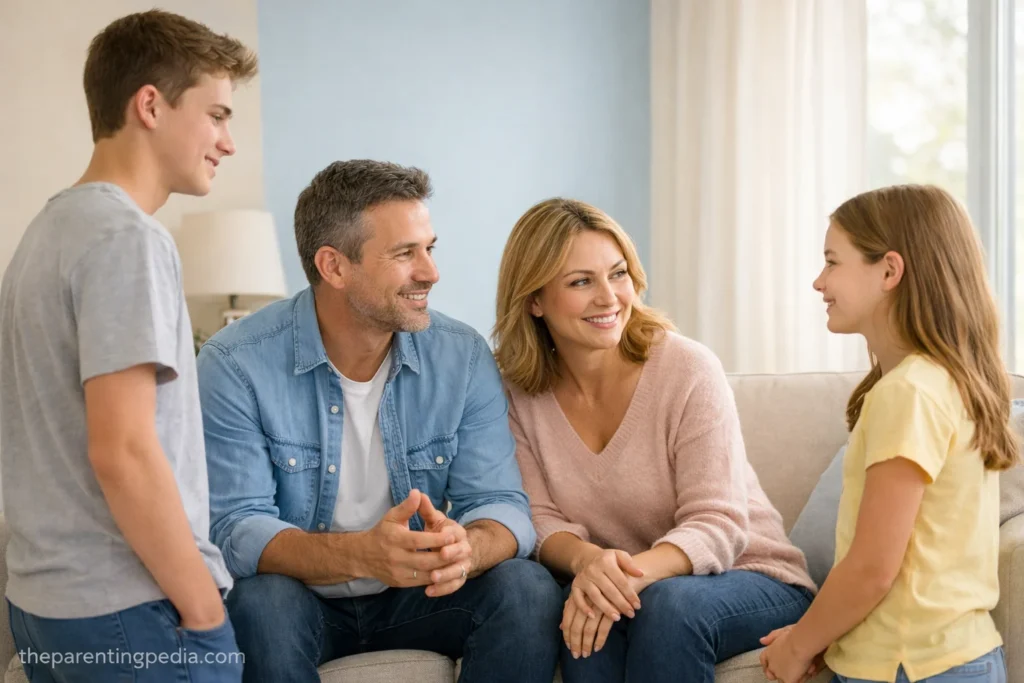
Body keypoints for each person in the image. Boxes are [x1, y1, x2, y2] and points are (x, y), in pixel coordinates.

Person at [196, 159, 562, 683]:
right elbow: (237, 528)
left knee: (526, 589)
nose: (430, 272)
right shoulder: (235, 363)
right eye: (404, 254)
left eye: (429, 248)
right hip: (302, 599)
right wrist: (363, 556)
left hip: (419, 596)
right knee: (260, 604)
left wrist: (468, 548)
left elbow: (502, 504)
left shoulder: (461, 356)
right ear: (334, 267)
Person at [0, 10, 257, 683]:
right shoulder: (126, 238)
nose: (227, 142)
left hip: (45, 604)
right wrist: (205, 611)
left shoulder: (45, 233)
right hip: (127, 605)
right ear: (150, 104)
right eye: (218, 114)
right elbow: (123, 450)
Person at [492, 197, 816, 683]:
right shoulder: (515, 393)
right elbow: (537, 516)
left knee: (662, 605)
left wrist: (618, 577)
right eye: (581, 281)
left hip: (751, 575)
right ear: (534, 301)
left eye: (618, 274)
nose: (609, 297)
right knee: (585, 625)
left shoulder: (687, 369)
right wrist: (589, 565)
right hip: (634, 586)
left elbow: (719, 521)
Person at [759, 185, 1014, 683]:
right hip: (949, 657)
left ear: (890, 272)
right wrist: (817, 632)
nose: (818, 281)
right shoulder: (944, 381)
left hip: (910, 668)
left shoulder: (908, 393)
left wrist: (799, 648)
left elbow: (873, 566)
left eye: (833, 262)